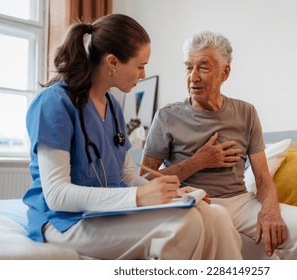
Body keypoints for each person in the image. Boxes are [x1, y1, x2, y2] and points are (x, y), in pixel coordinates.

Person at [23, 15, 242, 260]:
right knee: (188, 224)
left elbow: (126, 175)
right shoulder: (55, 103)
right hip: (65, 220)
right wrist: (137, 197)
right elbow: (57, 195)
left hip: (109, 210)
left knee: (216, 215)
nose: (143, 73)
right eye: (140, 65)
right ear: (113, 62)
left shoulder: (113, 106)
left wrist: (172, 192)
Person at [140, 30, 297, 259]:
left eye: (203, 67)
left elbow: (263, 178)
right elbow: (144, 180)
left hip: (240, 202)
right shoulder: (167, 116)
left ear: (225, 73)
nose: (193, 77)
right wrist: (199, 161)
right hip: (193, 203)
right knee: (216, 219)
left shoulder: (246, 112)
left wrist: (270, 210)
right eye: (188, 67)